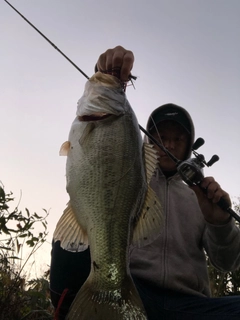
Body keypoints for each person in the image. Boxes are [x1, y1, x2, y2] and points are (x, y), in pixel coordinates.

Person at [50, 46, 240, 319]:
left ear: (188, 147)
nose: (169, 144)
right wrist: (108, 76)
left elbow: (228, 262)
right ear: (146, 141)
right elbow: (108, 144)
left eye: (178, 138)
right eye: (161, 137)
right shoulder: (130, 174)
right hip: (133, 288)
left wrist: (220, 222)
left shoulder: (198, 197)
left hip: (192, 306)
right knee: (70, 250)